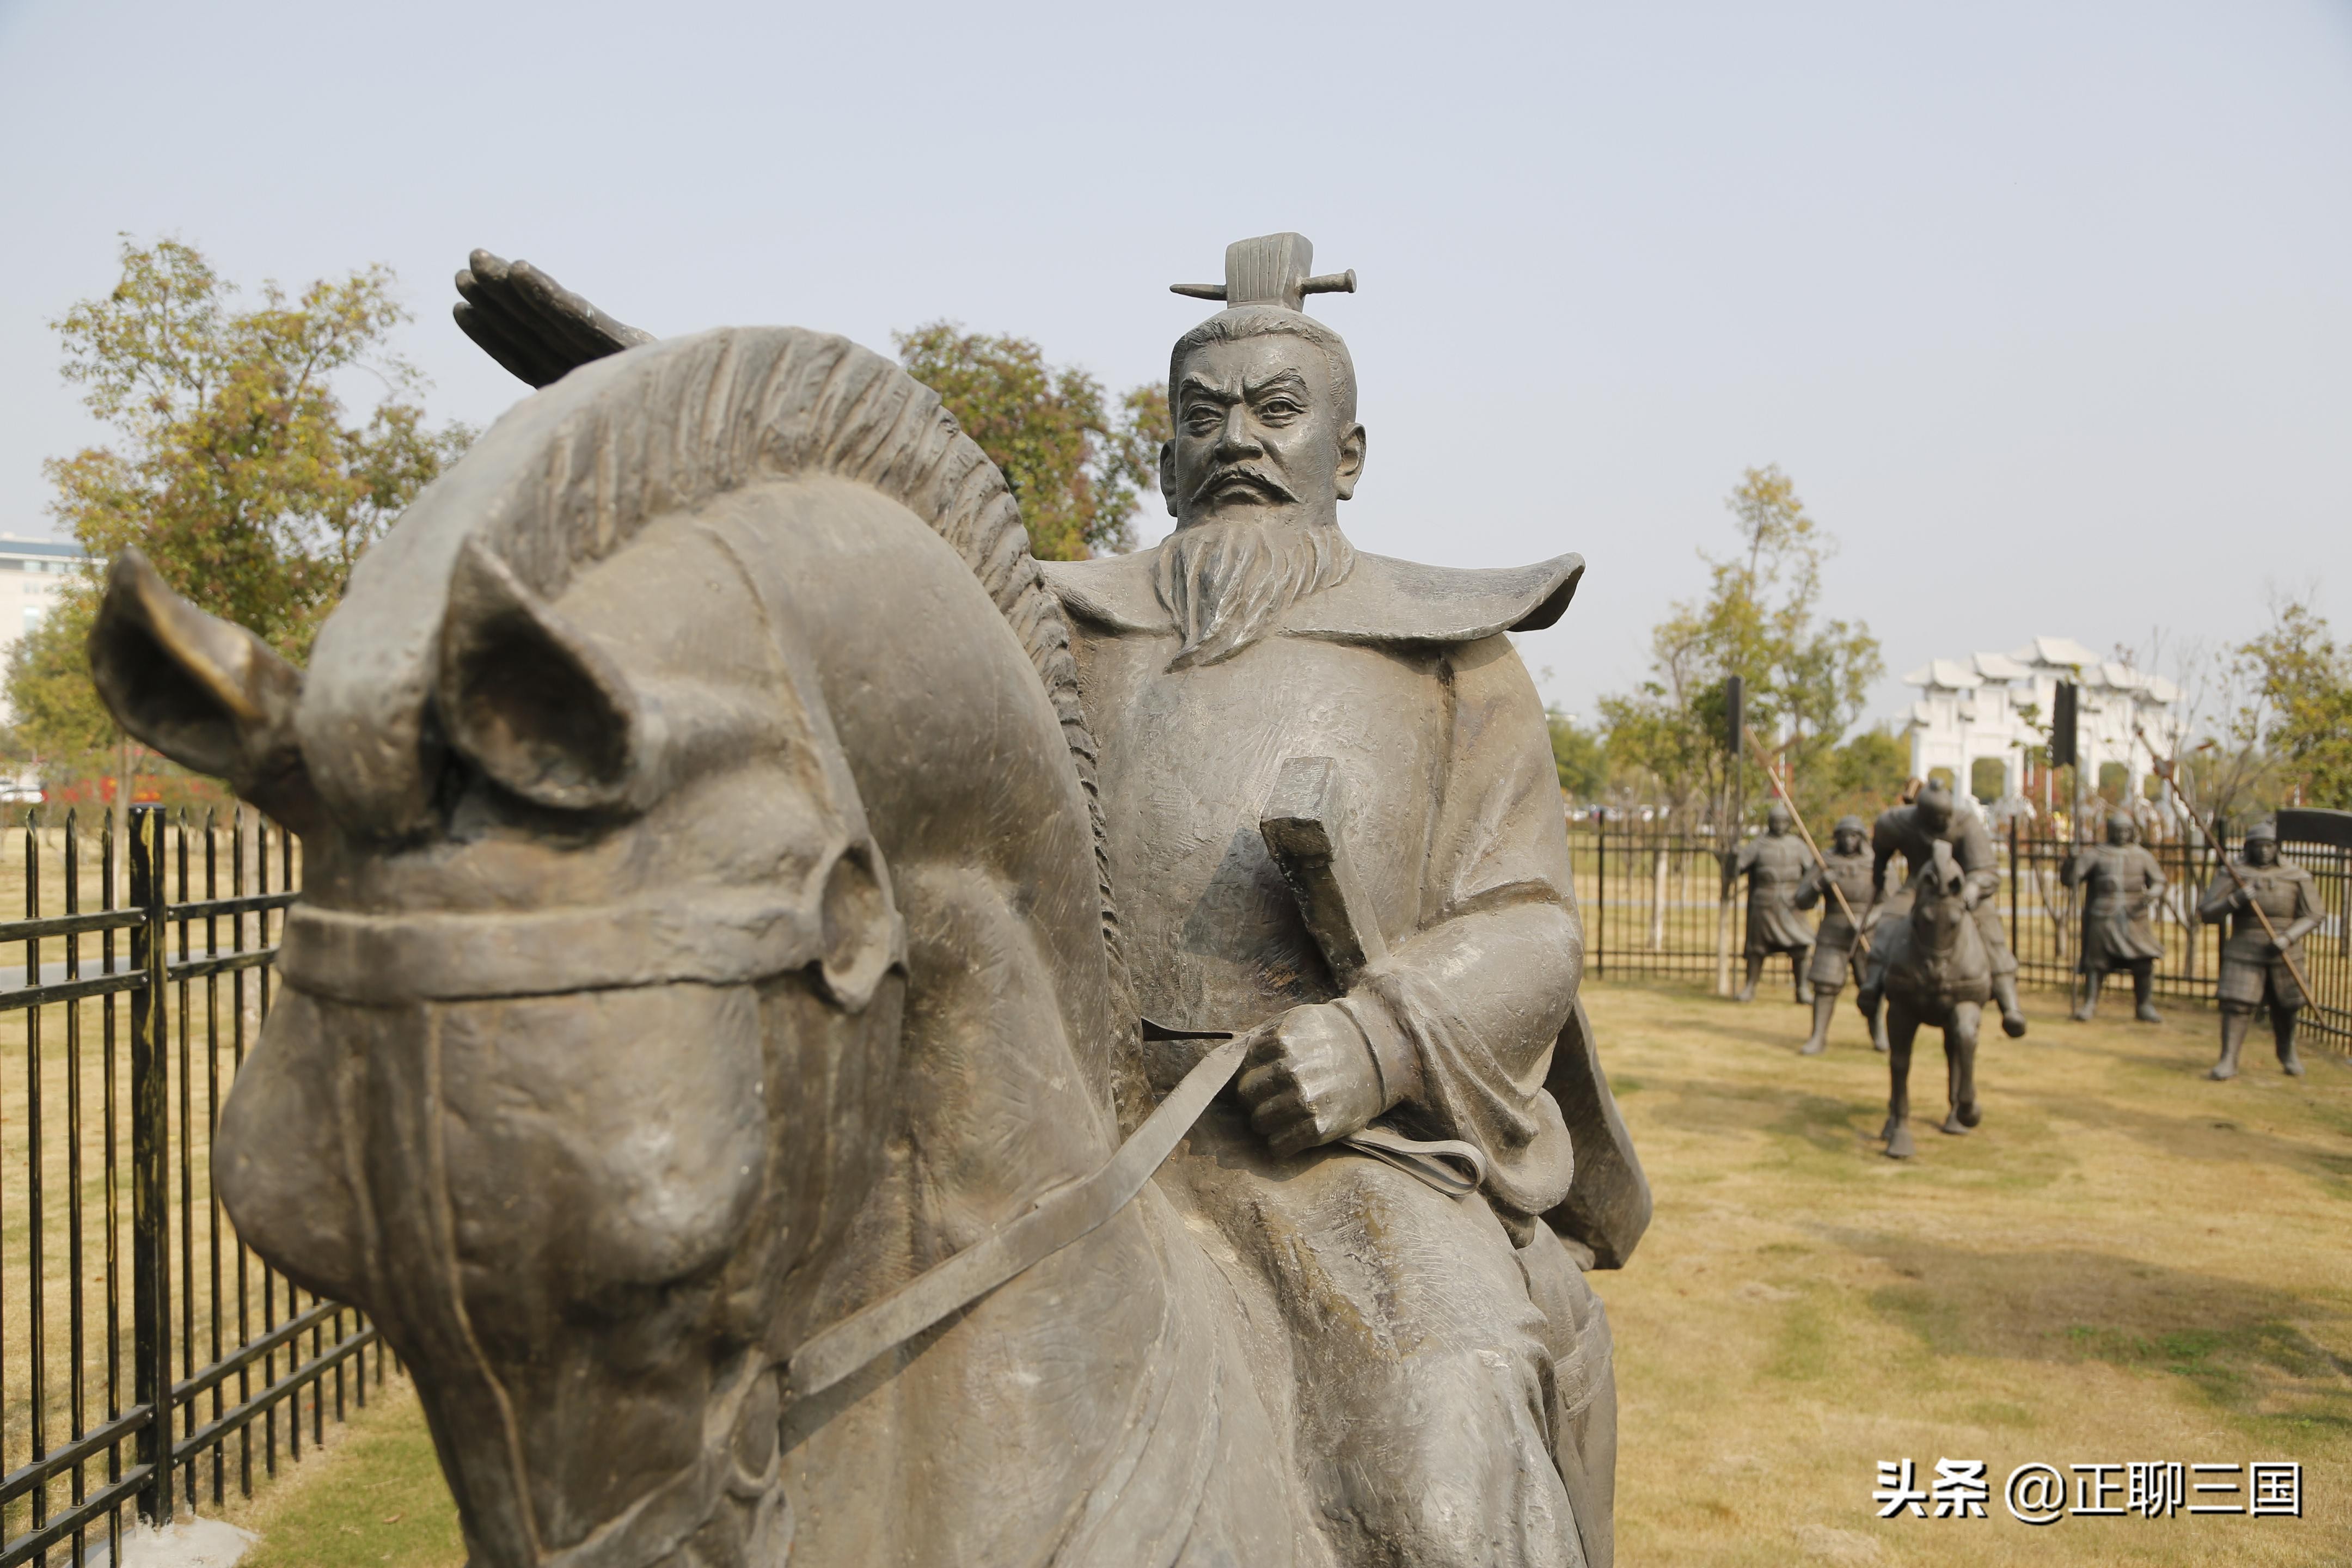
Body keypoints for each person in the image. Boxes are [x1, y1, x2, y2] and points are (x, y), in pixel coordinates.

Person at [1038, 234, 1622, 1568]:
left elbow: (1530, 923)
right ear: (1165, 459)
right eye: (1202, 416)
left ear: (1346, 455)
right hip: (1073, 1131)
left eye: (1276, 410)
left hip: (1336, 1154)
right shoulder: (1060, 634)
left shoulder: (1452, 661)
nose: (1237, 440)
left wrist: (1378, 1042)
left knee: (1447, 1445)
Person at [1864, 780, 2030, 1038]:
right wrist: (1879, 874)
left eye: (1945, 816)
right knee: (1891, 920)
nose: (1942, 822)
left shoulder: (1966, 823)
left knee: (1990, 930)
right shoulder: (1898, 821)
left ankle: (2010, 1006)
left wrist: (1973, 888)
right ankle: (1873, 985)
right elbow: (1882, 847)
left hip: (1961, 888)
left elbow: (1986, 869)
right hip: (1917, 887)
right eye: (1936, 818)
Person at [2197, 820, 2320, 1080]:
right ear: (2248, 848)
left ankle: (2287, 1052)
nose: (2264, 851)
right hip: (2245, 947)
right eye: (2258, 846)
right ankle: (2229, 1058)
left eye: (2269, 846)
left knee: (2287, 1005)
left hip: (2285, 949)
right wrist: (2235, 900)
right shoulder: (2233, 874)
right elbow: (2207, 913)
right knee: (2236, 1005)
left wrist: (2288, 937)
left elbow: (2314, 914)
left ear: (2277, 848)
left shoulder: (2296, 876)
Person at [2060, 813, 2167, 1023]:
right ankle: (2090, 1004)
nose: (2122, 835)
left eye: (2126, 831)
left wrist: (2153, 892)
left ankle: (2144, 1006)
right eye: (2118, 831)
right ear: (2110, 832)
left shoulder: (2142, 855)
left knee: (2143, 961)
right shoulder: (2097, 854)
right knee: (2096, 963)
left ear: (2132, 832)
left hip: (2134, 916)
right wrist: (2071, 861)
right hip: (2104, 914)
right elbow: (2071, 880)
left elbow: (2159, 881)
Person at [1792, 814, 1885, 1054]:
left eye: (1854, 836)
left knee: (1871, 986)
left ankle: (1879, 1033)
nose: (1849, 841)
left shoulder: (1877, 862)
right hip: (1833, 932)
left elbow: (1893, 901)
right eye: (1844, 836)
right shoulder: (1826, 861)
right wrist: (1819, 884)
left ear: (1862, 838)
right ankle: (1818, 1036)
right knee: (1825, 986)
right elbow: (1801, 900)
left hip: (1867, 933)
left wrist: (1868, 920)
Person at [1731, 803, 1815, 1004]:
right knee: (1757, 949)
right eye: (1775, 822)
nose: (1779, 825)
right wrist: (1733, 857)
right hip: (1765, 903)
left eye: (1783, 822)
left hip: (1791, 903)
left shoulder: (1798, 846)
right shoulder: (1759, 845)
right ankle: (1750, 987)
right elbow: (1736, 870)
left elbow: (1812, 873)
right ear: (1769, 823)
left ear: (1789, 823)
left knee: (1800, 947)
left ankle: (1802, 989)